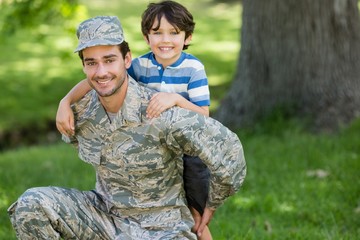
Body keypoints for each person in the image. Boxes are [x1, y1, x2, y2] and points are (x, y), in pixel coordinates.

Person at [7, 16, 246, 239]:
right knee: (32, 204)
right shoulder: (81, 112)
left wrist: (210, 205)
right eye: (92, 63)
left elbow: (229, 149)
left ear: (127, 60)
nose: (101, 72)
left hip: (162, 227)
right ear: (84, 67)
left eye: (109, 60)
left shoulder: (159, 109)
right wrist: (65, 101)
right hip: (106, 217)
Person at [56, 1, 213, 239]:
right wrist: (65, 102)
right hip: (155, 146)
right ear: (146, 37)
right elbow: (100, 80)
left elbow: (204, 116)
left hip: (187, 150)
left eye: (174, 33)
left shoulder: (193, 69)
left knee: (195, 215)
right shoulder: (140, 65)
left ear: (187, 37)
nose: (165, 40)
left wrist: (175, 99)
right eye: (157, 32)